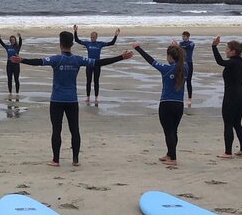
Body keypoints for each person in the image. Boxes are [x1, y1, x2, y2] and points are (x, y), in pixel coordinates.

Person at [11, 31, 132, 167]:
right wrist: (121, 57)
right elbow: (99, 63)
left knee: (56, 130)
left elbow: (38, 62)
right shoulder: (78, 60)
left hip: (57, 100)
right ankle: (75, 160)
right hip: (72, 101)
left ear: (60, 44)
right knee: (75, 130)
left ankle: (56, 160)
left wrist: (22, 60)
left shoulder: (56, 59)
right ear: (72, 44)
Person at [132, 41, 188, 166]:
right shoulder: (185, 67)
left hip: (166, 104)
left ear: (170, 57)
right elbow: (184, 58)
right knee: (174, 131)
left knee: (168, 131)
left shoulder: (166, 69)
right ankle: (170, 154)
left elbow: (150, 60)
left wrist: (138, 48)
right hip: (179, 105)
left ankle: (173, 158)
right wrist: (177, 46)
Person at [211, 35, 242, 159]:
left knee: (228, 123)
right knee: (237, 123)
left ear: (233, 51)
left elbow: (220, 62)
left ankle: (228, 152)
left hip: (231, 97)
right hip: (240, 96)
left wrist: (214, 47)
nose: (226, 51)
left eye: (227, 49)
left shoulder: (232, 62)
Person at [73, 25, 121, 104]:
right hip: (89, 64)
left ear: (96, 37)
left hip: (97, 65)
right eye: (91, 37)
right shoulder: (87, 43)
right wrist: (75, 31)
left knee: (96, 81)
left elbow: (111, 43)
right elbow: (77, 40)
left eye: (93, 37)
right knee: (88, 81)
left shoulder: (100, 44)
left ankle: (96, 98)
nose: (92, 38)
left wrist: (116, 35)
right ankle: (88, 98)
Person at [179, 31, 195, 106]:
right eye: (183, 36)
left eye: (185, 36)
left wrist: (180, 46)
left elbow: (188, 47)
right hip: (182, 63)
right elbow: (178, 49)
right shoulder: (181, 43)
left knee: (188, 81)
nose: (183, 37)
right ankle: (180, 96)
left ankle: (189, 98)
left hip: (189, 63)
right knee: (181, 81)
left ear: (188, 37)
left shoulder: (191, 43)